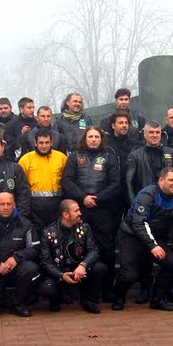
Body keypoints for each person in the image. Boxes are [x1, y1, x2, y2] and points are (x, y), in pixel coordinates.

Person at [112, 168, 173, 312]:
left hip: (153, 238)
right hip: (132, 236)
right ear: (161, 180)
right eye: (171, 180)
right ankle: (118, 296)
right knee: (129, 274)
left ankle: (158, 299)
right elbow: (139, 223)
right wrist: (152, 245)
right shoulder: (148, 194)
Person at [61, 126, 121, 302]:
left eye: (96, 136)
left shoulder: (109, 157)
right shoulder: (74, 156)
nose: (93, 139)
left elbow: (116, 184)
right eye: (90, 136)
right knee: (78, 249)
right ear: (84, 138)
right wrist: (83, 197)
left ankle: (108, 289)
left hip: (103, 211)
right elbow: (67, 181)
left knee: (107, 251)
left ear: (101, 139)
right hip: (80, 210)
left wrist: (98, 199)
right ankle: (78, 290)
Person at [124, 121, 173, 303]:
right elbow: (129, 183)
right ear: (144, 135)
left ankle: (169, 289)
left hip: (166, 210)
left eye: (157, 132)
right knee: (144, 252)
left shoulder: (172, 153)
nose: (155, 135)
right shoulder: (136, 155)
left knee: (169, 248)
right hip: (143, 209)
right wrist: (135, 208)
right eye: (151, 132)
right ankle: (145, 288)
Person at [38, 199, 105, 313]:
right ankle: (56, 300)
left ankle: (88, 300)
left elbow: (94, 250)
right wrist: (61, 275)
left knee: (100, 268)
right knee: (46, 287)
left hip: (78, 271)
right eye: (76, 211)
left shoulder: (85, 228)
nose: (80, 213)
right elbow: (45, 261)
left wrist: (83, 265)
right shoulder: (48, 232)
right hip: (59, 272)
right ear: (66, 214)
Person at [18, 130, 68, 230]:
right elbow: (21, 187)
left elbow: (67, 182)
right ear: (35, 143)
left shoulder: (62, 158)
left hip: (56, 207)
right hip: (33, 208)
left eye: (47, 142)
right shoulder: (25, 160)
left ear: (52, 142)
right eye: (41, 143)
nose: (44, 146)